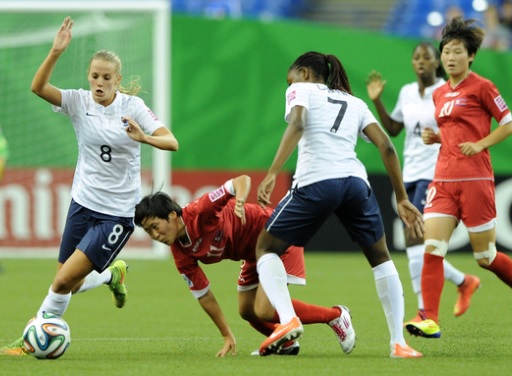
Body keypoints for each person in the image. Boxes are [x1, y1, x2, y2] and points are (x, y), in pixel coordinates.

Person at [1, 16, 179, 356]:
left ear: (118, 80)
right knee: (71, 281)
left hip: (117, 214)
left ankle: (30, 342)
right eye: (95, 76)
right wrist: (55, 52)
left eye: (106, 77)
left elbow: (172, 142)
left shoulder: (133, 107)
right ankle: (113, 276)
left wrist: (143, 137)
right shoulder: (78, 102)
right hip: (82, 203)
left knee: (62, 282)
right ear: (88, 76)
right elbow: (37, 88)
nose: (99, 82)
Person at [252, 51, 424, 358]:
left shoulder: (299, 89)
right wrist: (401, 197)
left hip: (317, 180)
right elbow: (386, 145)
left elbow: (299, 124)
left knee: (266, 248)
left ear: (304, 73)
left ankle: (287, 319)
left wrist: (272, 173)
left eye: (289, 79)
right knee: (381, 258)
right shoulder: (354, 102)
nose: (288, 86)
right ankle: (399, 343)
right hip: (356, 183)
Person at [404, 17, 512, 340]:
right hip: (443, 180)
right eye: (446, 52)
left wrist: (480, 143)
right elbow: (454, 131)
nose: (450, 57)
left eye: (457, 52)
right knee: (432, 248)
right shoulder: (439, 94)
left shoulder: (483, 86)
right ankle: (429, 318)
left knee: (485, 258)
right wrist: (437, 138)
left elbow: (508, 125)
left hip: (476, 179)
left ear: (471, 55)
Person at [133, 175, 355, 357]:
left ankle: (335, 315)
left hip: (276, 236)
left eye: (155, 226)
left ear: (172, 215)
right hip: (254, 254)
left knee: (264, 310)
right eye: (148, 231)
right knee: (247, 311)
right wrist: (227, 335)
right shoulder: (180, 252)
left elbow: (241, 180)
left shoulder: (201, 210)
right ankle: (286, 341)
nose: (155, 235)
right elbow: (204, 295)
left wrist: (239, 200)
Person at [366, 42, 481, 324]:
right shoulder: (406, 92)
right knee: (417, 243)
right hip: (410, 174)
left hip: (438, 171)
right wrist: (377, 101)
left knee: (415, 239)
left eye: (426, 57)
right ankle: (463, 282)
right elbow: (393, 129)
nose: (420, 62)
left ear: (436, 62)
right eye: (416, 57)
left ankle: (424, 311)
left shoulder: (445, 91)